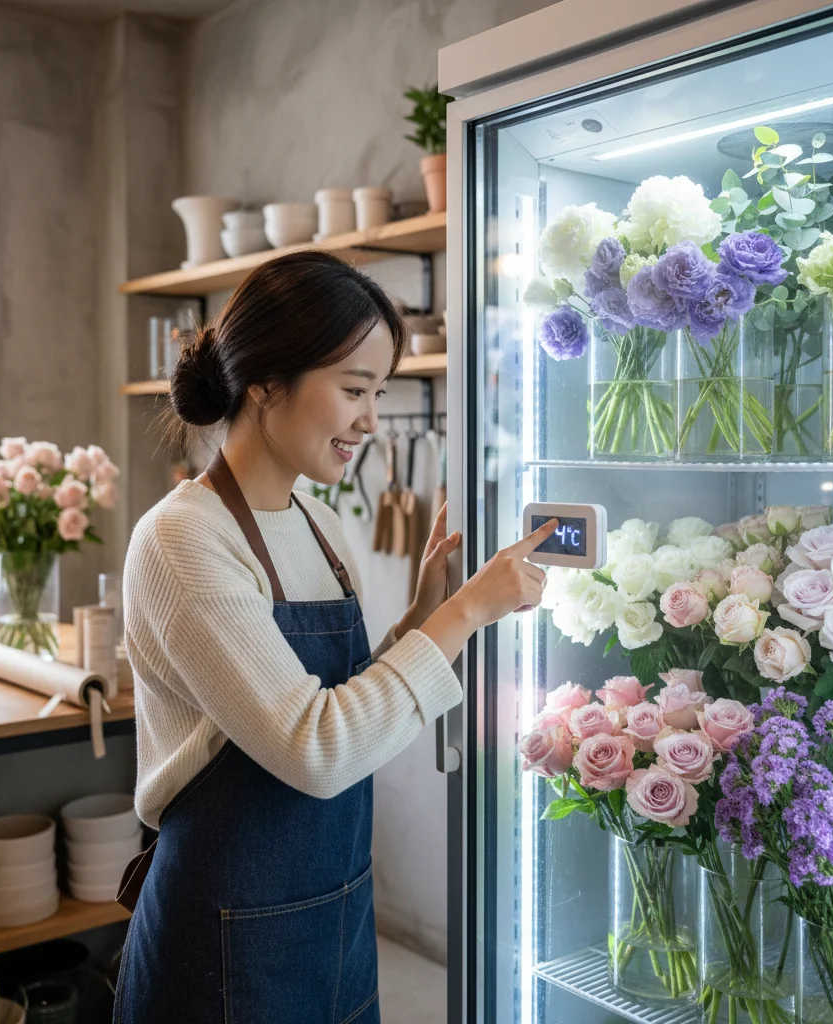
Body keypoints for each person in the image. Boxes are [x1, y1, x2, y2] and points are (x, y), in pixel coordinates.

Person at [113, 250, 555, 1023]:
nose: (371, 421)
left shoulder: (317, 523)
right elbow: (315, 749)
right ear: (265, 381)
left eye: (380, 393)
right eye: (354, 390)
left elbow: (334, 704)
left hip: (334, 913)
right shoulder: (183, 539)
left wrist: (421, 613)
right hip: (223, 929)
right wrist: (464, 615)